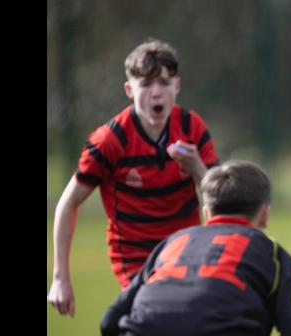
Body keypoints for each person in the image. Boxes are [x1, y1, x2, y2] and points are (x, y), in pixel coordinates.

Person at [48, 38, 220, 317]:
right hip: (136, 263)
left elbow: (220, 200)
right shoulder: (109, 140)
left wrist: (198, 168)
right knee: (160, 326)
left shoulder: (192, 128)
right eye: (146, 84)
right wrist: (60, 278)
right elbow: (68, 203)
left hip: (187, 253)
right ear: (129, 89)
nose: (156, 93)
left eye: (164, 83)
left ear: (177, 86)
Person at [100, 160, 291, 336]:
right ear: (264, 214)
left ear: (206, 213)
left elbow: (109, 322)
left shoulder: (172, 243)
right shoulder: (275, 256)